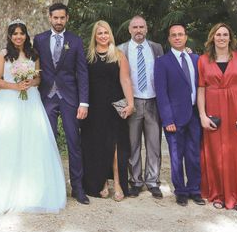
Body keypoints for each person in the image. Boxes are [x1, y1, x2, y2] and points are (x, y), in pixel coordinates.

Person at [0, 20, 66, 213]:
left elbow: (39, 78)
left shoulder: (34, 54)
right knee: (8, 143)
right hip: (9, 101)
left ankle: (33, 192)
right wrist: (15, 86)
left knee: (33, 142)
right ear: (9, 36)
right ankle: (3, 190)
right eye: (15, 33)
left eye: (22, 33)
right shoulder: (4, 54)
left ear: (26, 35)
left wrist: (30, 82)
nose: (18, 37)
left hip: (30, 101)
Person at [197, 23, 237, 212]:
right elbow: (200, 90)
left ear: (230, 38)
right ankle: (217, 194)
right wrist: (201, 115)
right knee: (215, 153)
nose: (222, 38)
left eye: (225, 34)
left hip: (236, 112)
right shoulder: (202, 60)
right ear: (212, 38)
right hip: (214, 113)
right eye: (218, 34)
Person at [34, 3, 90, 205]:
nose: (58, 21)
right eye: (55, 18)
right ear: (49, 17)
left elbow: (82, 72)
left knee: (74, 143)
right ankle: (47, 187)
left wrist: (84, 102)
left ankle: (78, 188)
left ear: (67, 18)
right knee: (46, 143)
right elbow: (32, 65)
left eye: (62, 18)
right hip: (46, 97)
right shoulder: (39, 40)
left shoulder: (75, 40)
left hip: (70, 99)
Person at [81, 20, 134, 201]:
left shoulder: (118, 55)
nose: (103, 36)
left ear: (110, 34)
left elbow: (125, 80)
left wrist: (131, 103)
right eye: (99, 33)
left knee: (115, 146)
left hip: (114, 106)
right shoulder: (88, 56)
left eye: (106, 33)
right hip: (94, 107)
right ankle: (101, 181)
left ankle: (118, 183)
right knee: (97, 145)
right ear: (94, 36)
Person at [154, 23, 204, 207]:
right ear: (169, 39)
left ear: (186, 37)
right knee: (176, 156)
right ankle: (181, 191)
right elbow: (161, 93)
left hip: (194, 115)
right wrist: (167, 119)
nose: (177, 37)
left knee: (193, 155)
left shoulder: (196, 59)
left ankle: (195, 189)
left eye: (180, 34)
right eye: (173, 35)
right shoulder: (162, 62)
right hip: (173, 118)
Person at [117, 15, 164, 199]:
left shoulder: (156, 48)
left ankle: (152, 181)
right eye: (135, 27)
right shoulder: (121, 49)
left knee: (154, 144)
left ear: (146, 29)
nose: (138, 30)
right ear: (130, 30)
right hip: (132, 102)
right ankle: (135, 181)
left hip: (153, 101)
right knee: (132, 144)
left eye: (141, 27)